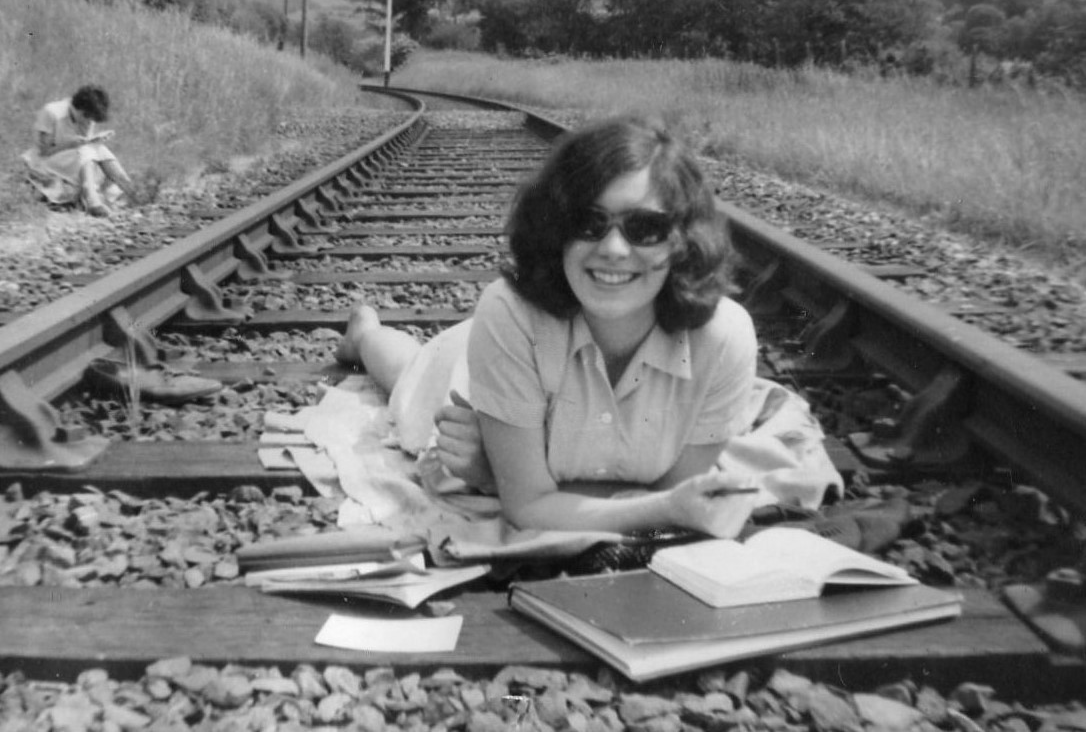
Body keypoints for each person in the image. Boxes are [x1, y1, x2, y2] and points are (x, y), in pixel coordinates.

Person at [337, 114, 832, 540]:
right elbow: (539, 507)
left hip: (514, 363)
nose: (615, 249)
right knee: (408, 374)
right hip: (483, 361)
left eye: (645, 228)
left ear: (681, 241)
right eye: (588, 223)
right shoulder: (507, 312)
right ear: (555, 230)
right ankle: (364, 331)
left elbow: (661, 495)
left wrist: (499, 476)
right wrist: (659, 510)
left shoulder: (725, 336)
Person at [22, 85, 135, 217]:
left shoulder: (87, 118)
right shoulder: (52, 112)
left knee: (99, 148)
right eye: (87, 117)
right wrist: (69, 144)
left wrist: (94, 139)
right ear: (79, 110)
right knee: (85, 150)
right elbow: (43, 151)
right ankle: (91, 198)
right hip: (46, 161)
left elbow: (85, 143)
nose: (89, 122)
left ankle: (128, 186)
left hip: (75, 159)